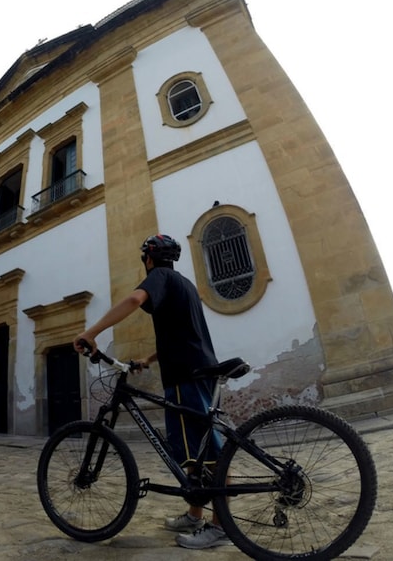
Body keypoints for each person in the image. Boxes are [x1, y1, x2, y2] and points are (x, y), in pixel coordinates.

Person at [73, 233, 231, 550]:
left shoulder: (160, 276)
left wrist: (91, 333)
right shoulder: (183, 283)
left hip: (188, 375)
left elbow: (134, 300)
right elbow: (186, 334)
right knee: (194, 453)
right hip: (195, 369)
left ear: (148, 258)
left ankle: (221, 526)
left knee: (209, 453)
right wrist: (148, 358)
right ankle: (195, 514)